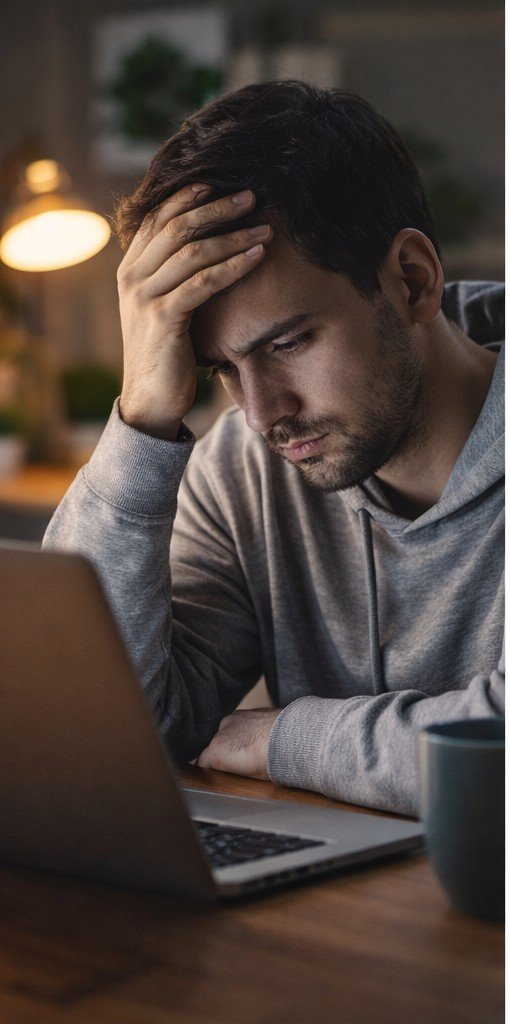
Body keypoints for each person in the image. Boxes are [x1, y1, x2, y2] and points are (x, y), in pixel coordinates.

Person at [44, 81, 504, 816]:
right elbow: (93, 730)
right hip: (335, 918)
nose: (263, 414)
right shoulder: (243, 467)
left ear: (411, 280)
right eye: (222, 369)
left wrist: (283, 739)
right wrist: (142, 419)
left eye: (288, 342)